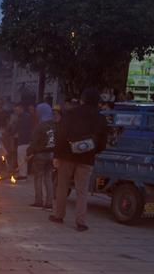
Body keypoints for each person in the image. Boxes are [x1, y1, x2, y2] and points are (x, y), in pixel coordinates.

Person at [50, 88, 108, 231]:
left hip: (67, 156)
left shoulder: (70, 114)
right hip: (87, 158)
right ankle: (80, 222)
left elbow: (61, 136)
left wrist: (57, 154)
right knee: (82, 191)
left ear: (82, 100)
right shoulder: (100, 118)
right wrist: (92, 150)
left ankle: (59, 215)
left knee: (62, 186)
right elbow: (102, 142)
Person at [27, 103, 56, 209]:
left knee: (38, 178)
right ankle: (49, 203)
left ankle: (38, 201)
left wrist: (29, 152)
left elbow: (34, 142)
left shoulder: (40, 126)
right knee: (48, 178)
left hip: (40, 155)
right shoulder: (55, 125)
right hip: (51, 155)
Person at [12, 103, 32, 179]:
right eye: (15, 111)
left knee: (21, 157)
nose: (16, 112)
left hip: (24, 140)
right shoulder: (25, 117)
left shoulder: (24, 118)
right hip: (25, 140)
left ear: (21, 109)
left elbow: (19, 128)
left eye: (17, 110)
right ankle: (23, 173)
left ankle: (23, 174)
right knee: (23, 157)